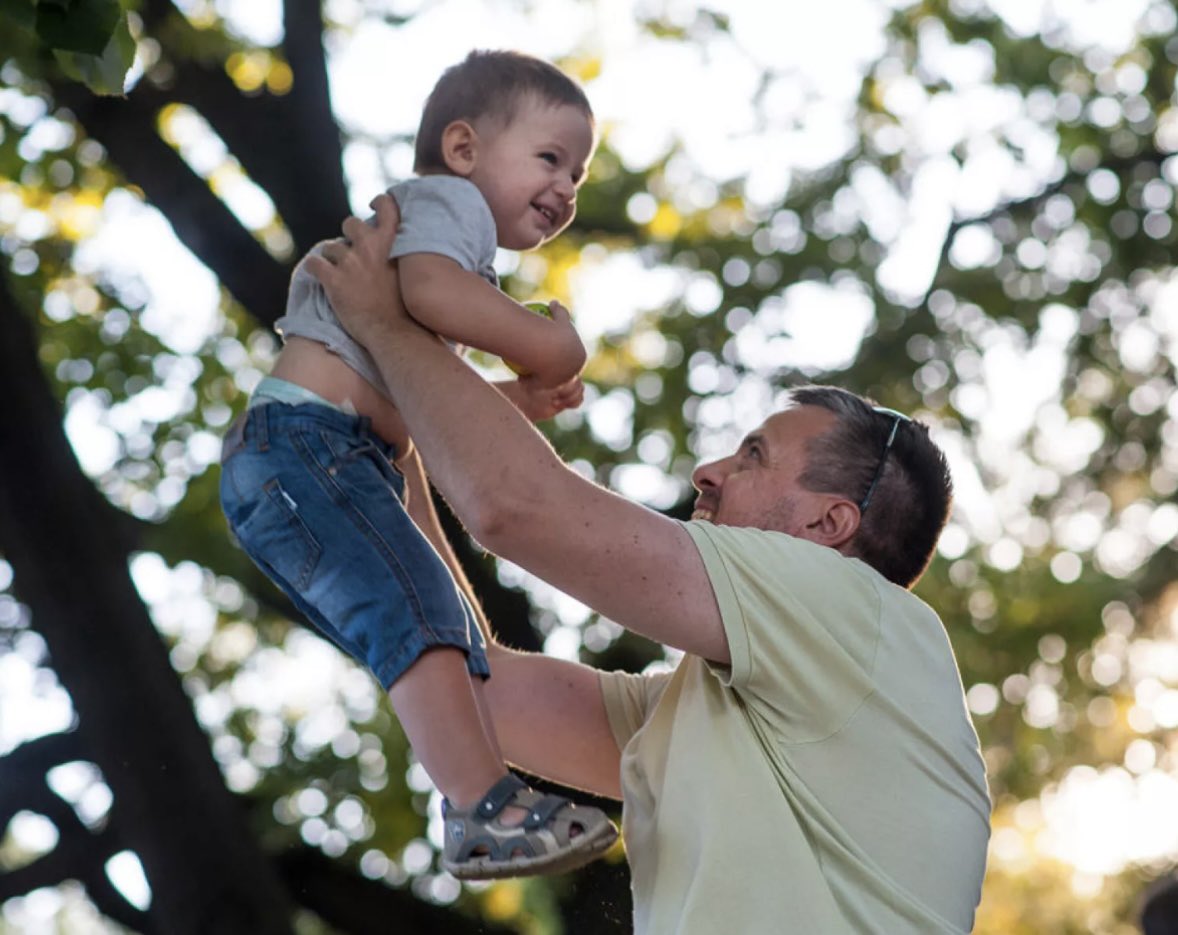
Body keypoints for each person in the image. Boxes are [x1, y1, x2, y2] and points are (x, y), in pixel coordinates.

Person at [304, 195, 993, 933]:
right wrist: (399, 440)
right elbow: (481, 695)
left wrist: (386, 328)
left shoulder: (861, 612)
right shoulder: (706, 709)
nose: (708, 470)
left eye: (753, 455)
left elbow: (515, 507)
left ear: (831, 523)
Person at [219, 50, 617, 881]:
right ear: (465, 147)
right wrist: (549, 341)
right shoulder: (448, 208)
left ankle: (475, 797)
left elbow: (406, 385)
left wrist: (506, 398)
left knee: (437, 613)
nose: (567, 188)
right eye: (551, 158)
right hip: (309, 449)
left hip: (322, 457)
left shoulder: (452, 232)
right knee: (416, 605)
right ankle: (486, 808)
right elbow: (433, 298)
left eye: (578, 173)